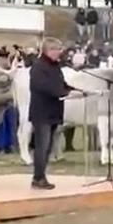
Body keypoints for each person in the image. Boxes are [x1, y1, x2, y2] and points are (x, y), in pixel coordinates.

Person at [29, 38, 78, 189]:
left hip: (54, 112)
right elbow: (44, 87)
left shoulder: (55, 67)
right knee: (42, 146)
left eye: (59, 49)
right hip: (42, 112)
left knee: (48, 147)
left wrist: (74, 90)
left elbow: (60, 83)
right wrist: (63, 93)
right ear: (48, 50)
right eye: (56, 50)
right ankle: (38, 178)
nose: (59, 53)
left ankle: (41, 176)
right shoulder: (38, 67)